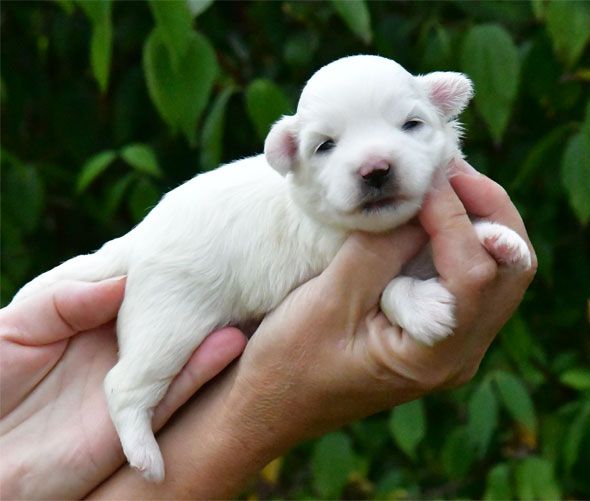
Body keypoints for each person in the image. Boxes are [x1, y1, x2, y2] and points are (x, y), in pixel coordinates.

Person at [0, 159, 536, 499]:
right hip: (193, 257)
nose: (375, 161)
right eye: (328, 146)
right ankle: (128, 401)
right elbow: (354, 272)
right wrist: (252, 416)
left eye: (412, 128)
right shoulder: (306, 208)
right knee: (161, 342)